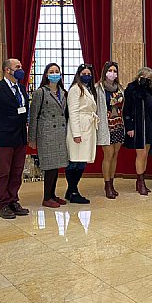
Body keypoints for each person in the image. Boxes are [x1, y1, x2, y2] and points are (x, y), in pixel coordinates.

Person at [0, 58, 30, 219]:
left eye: (21, 66)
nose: (21, 69)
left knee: (17, 171)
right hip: (3, 137)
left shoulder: (22, 89)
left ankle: (13, 200)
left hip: (20, 137)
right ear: (7, 70)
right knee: (3, 172)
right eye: (17, 67)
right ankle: (2, 203)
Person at [28, 63, 69, 208]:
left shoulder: (63, 92)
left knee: (56, 166)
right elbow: (33, 116)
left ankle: (52, 195)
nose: (54, 74)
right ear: (46, 75)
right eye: (51, 71)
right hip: (46, 134)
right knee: (50, 166)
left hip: (60, 134)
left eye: (57, 71)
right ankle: (46, 197)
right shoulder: (40, 92)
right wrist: (32, 138)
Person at [65, 64, 97, 204]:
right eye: (83, 73)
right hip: (78, 129)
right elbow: (73, 112)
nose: (86, 75)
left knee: (82, 161)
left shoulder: (89, 89)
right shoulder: (75, 89)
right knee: (74, 161)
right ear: (78, 74)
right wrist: (76, 133)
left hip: (88, 127)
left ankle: (71, 190)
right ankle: (73, 191)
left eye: (88, 73)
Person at [124, 67, 152, 195]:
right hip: (137, 125)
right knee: (141, 153)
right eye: (143, 77)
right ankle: (140, 181)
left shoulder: (151, 92)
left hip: (148, 125)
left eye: (149, 78)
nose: (146, 80)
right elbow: (126, 109)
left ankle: (141, 181)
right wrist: (129, 126)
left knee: (146, 153)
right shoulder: (131, 90)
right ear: (138, 77)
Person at [96, 61, 124, 199]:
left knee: (115, 155)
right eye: (110, 70)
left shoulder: (120, 88)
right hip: (105, 125)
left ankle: (112, 183)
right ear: (105, 72)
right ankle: (107, 185)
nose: (112, 73)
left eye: (115, 71)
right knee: (108, 154)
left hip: (118, 124)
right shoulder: (98, 88)